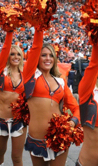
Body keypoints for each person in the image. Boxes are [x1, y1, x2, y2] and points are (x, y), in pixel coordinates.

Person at [23, 29, 80, 166]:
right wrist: (39, 27)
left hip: (59, 137)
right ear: (37, 57)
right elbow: (36, 46)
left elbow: (76, 108)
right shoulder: (30, 75)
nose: (48, 58)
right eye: (43, 55)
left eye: (51, 55)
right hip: (36, 138)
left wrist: (72, 123)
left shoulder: (60, 81)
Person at [0, 31, 26, 166]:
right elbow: (6, 46)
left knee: (17, 158)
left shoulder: (26, 74)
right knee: (0, 153)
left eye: (18, 54)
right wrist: (9, 31)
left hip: (19, 121)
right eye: (12, 54)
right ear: (7, 56)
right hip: (0, 119)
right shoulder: (1, 70)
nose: (15, 56)